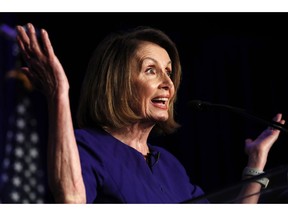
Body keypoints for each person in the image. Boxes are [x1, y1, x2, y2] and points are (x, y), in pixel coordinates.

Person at [15, 23, 285, 204]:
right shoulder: (85, 147)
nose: (168, 83)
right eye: (151, 70)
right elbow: (71, 201)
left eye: (168, 72)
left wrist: (256, 161)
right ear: (117, 81)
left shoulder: (170, 165)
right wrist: (58, 94)